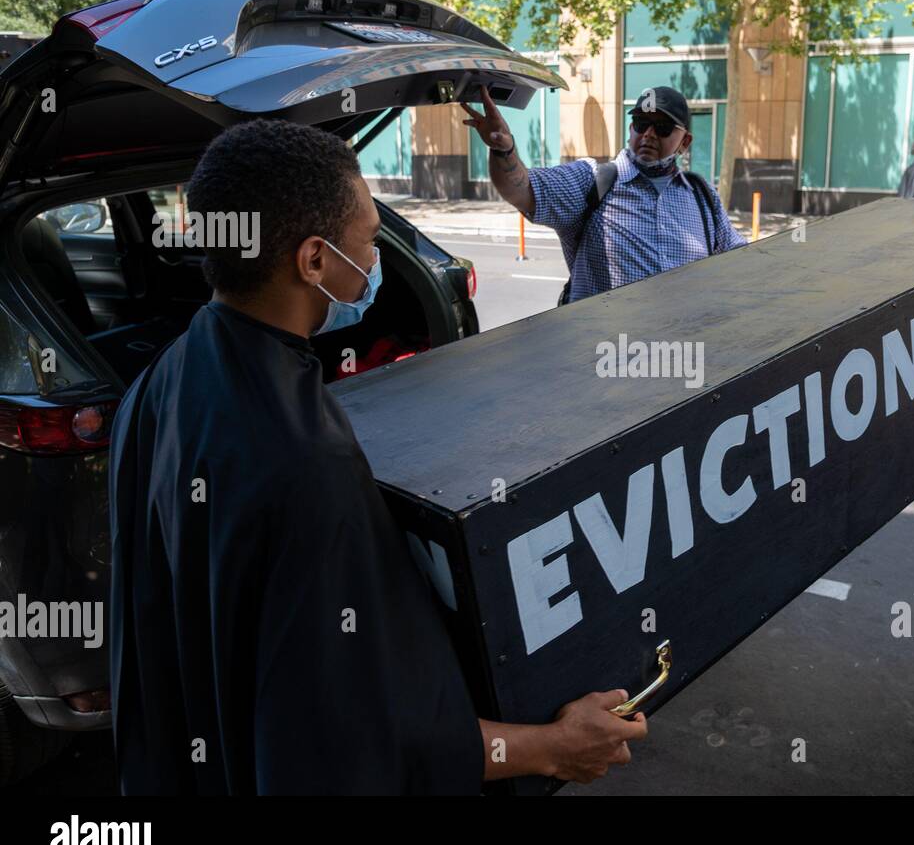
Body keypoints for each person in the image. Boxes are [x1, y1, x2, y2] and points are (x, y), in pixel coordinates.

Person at [109, 119, 647, 794]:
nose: (374, 260)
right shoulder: (306, 465)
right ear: (314, 261)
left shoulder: (159, 383)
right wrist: (551, 748)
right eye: (367, 241)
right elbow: (357, 737)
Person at [461, 84, 747, 303]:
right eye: (640, 123)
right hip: (603, 361)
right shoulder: (593, 180)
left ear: (684, 142)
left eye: (661, 128)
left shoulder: (702, 196)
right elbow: (520, 190)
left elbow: (743, 262)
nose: (648, 134)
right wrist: (503, 149)